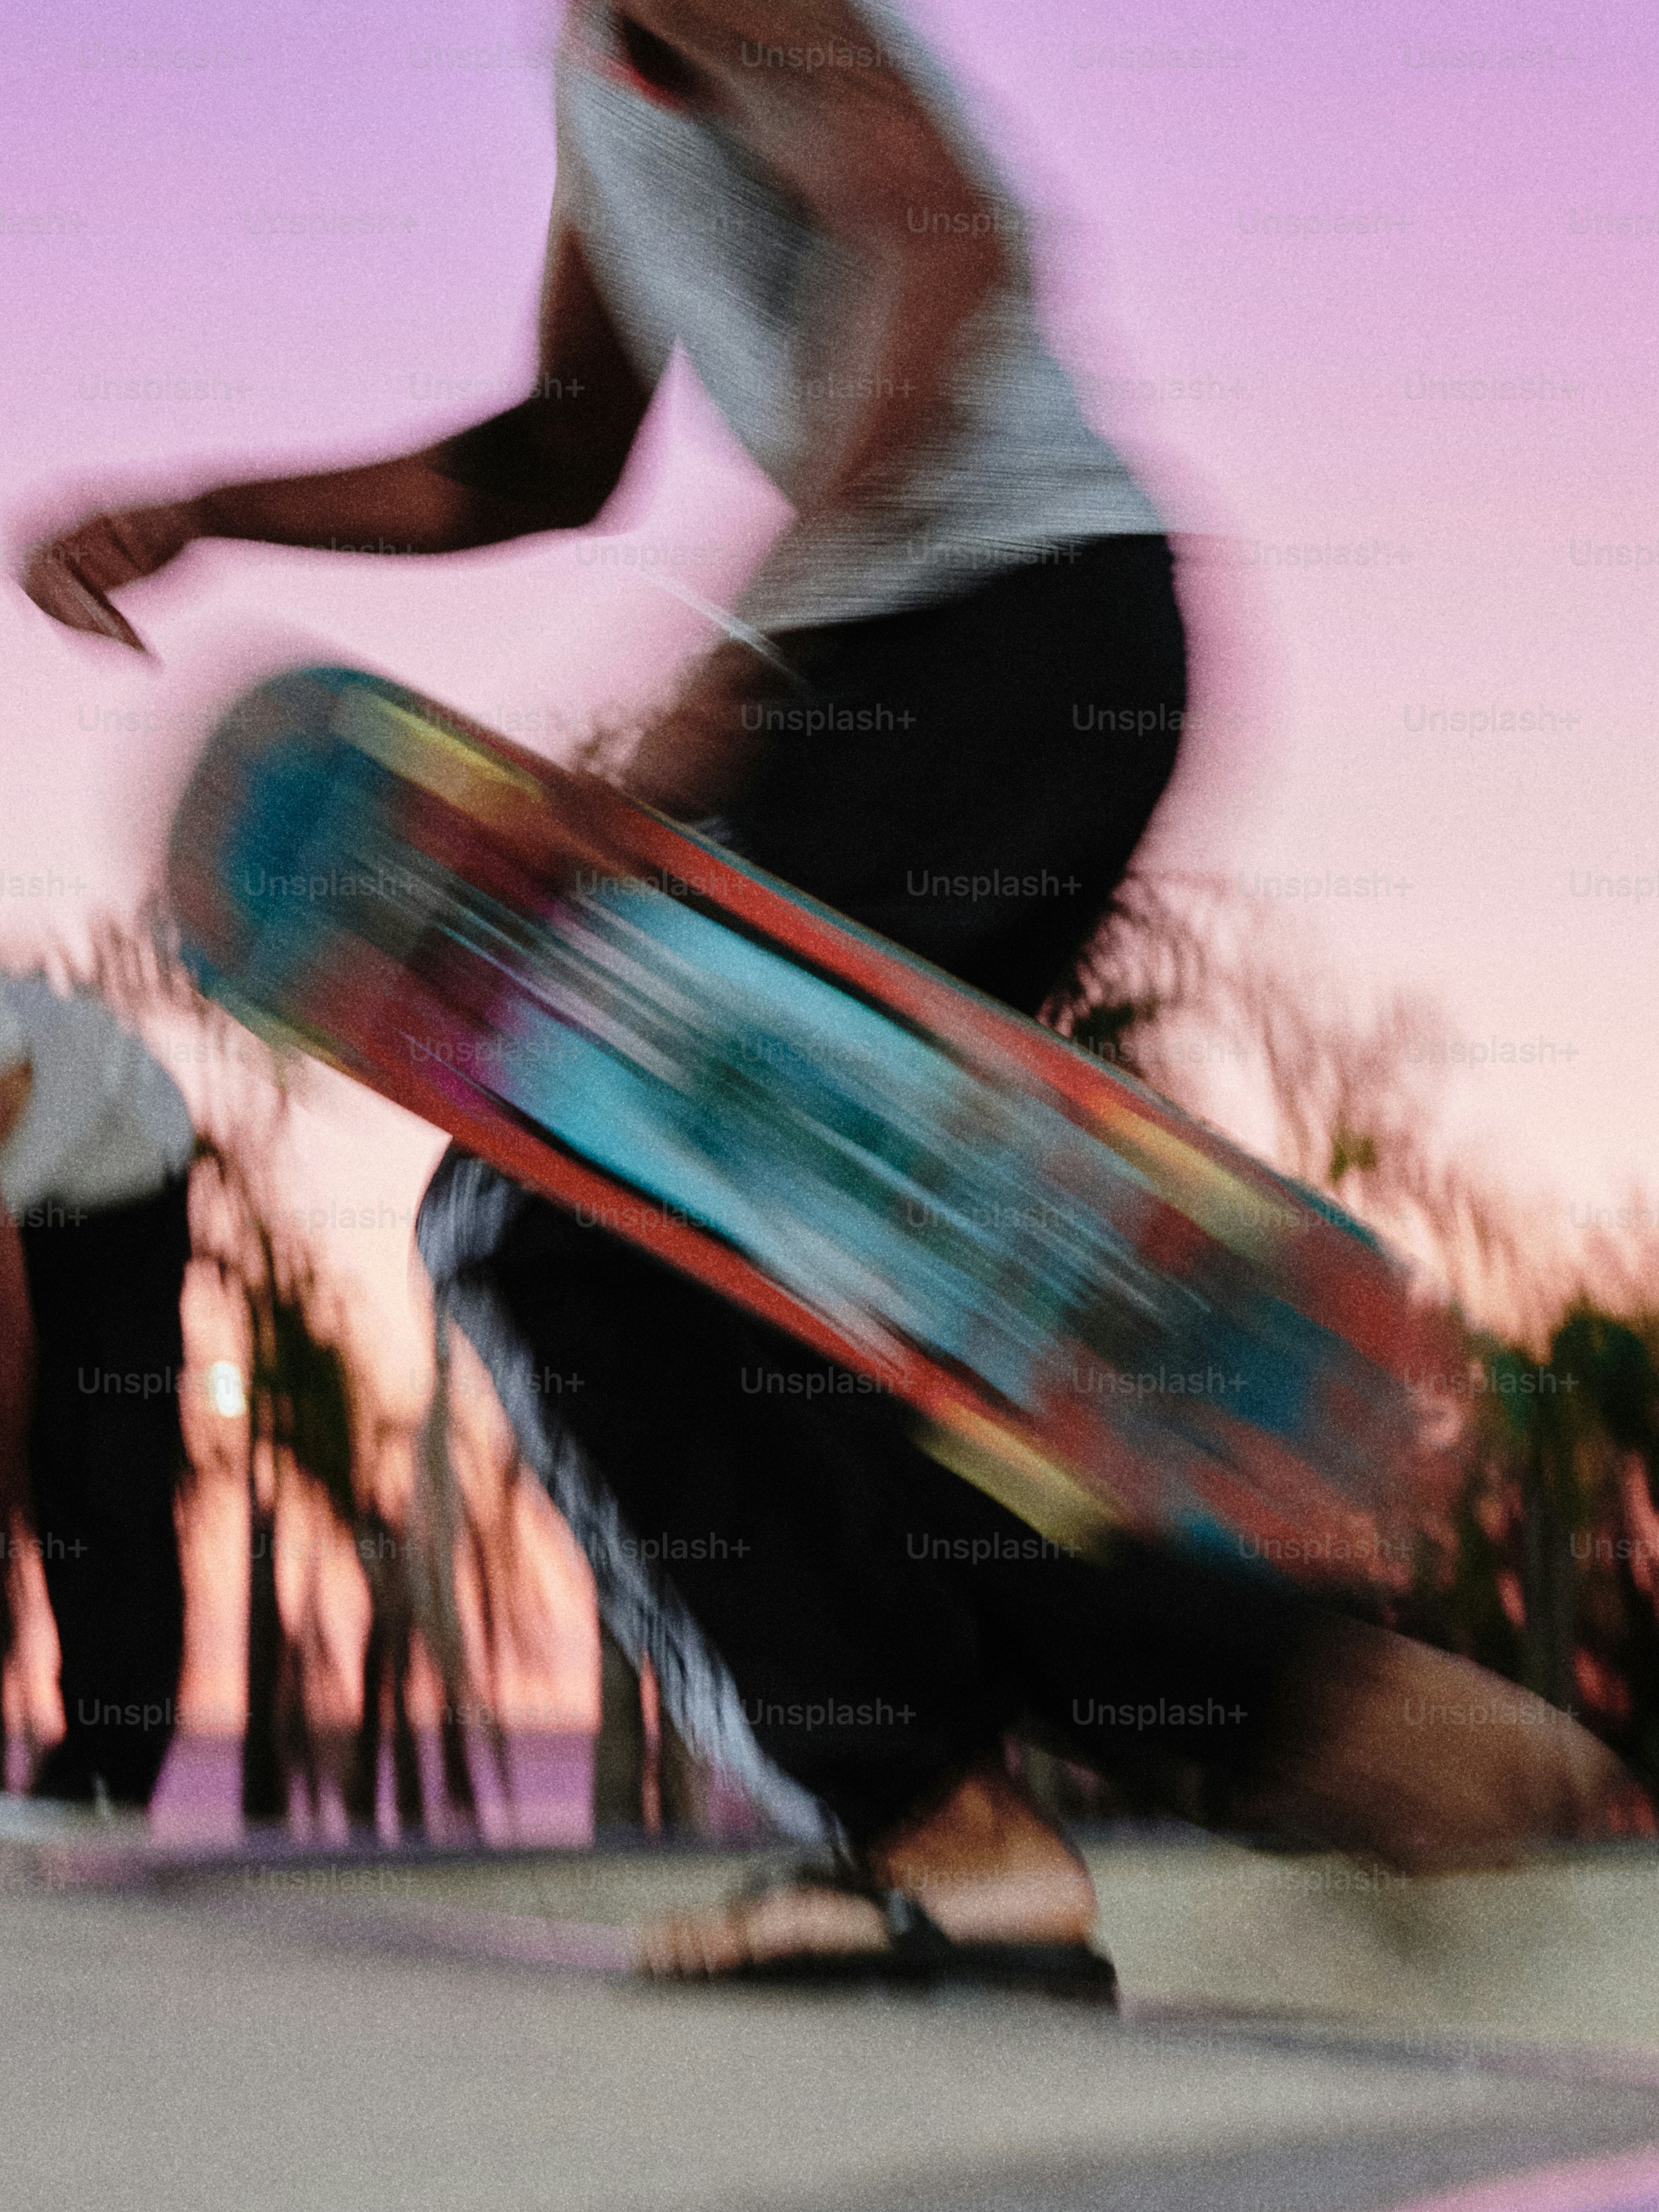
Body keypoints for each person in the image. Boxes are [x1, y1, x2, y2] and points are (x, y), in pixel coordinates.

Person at [20, 0, 1640, 1975]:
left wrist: (741, 657)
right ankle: (1303, 1722)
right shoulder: (596, 68)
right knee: (746, 1279)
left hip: (975, 637)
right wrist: (209, 507)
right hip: (1016, 644)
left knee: (551, 1224)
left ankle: (969, 1808)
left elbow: (946, 240)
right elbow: (548, 449)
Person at [0, 976, 196, 1808]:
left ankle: (108, 1771)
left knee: (103, 1467)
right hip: (36, 1191)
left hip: (124, 1182)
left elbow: (11, 1350)